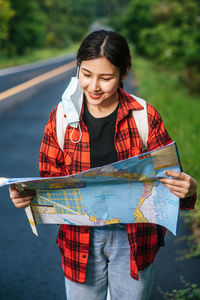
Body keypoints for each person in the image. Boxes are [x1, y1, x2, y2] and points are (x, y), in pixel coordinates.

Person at [9, 30, 197, 300]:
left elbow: (168, 182)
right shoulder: (60, 118)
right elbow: (49, 180)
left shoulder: (144, 117)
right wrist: (27, 196)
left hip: (134, 238)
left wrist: (187, 188)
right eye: (86, 74)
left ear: (124, 73)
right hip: (79, 238)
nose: (94, 86)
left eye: (106, 78)